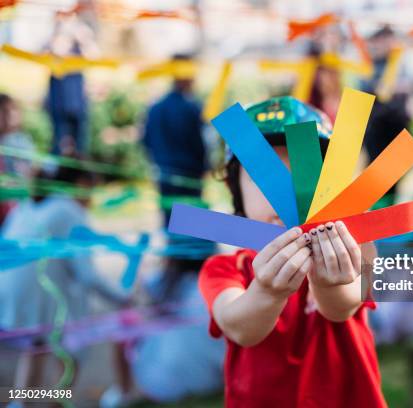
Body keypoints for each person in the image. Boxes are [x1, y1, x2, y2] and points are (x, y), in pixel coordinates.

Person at [200, 96, 386, 407]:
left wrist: (329, 283)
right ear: (237, 194)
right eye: (266, 177)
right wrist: (266, 292)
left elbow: (343, 307)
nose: (288, 195)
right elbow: (238, 326)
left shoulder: (356, 245)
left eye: (305, 175)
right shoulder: (222, 269)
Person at [0, 162, 127, 395]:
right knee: (75, 347)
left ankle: (25, 401)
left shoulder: (30, 204)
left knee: (36, 347)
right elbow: (87, 276)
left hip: (8, 290)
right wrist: (122, 297)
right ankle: (55, 401)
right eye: (91, 190)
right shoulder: (69, 210)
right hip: (31, 295)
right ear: (81, 185)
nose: (92, 200)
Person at [101, 246, 225, 408]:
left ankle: (124, 391)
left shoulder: (164, 283)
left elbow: (130, 296)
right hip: (210, 380)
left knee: (125, 321)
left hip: (159, 386)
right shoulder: (221, 287)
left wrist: (138, 263)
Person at [142, 54, 208, 226]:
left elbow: (146, 141)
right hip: (188, 175)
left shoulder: (155, 108)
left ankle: (173, 252)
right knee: (191, 227)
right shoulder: (191, 108)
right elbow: (199, 144)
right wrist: (204, 167)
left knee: (170, 224)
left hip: (164, 173)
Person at [362, 26, 410, 208]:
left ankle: (390, 222)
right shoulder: (369, 66)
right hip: (377, 130)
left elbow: (407, 88)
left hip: (397, 128)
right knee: (375, 181)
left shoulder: (401, 64)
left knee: (395, 182)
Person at [45, 12, 97, 155]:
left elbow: (94, 56)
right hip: (58, 103)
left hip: (78, 102)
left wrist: (83, 37)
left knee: (80, 146)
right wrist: (62, 37)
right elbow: (54, 52)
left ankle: (78, 174)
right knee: (58, 142)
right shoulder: (54, 38)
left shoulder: (81, 39)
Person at [0, 93, 34, 225]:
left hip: (15, 206)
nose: (10, 116)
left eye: (13, 110)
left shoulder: (20, 142)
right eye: (6, 111)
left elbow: (25, 177)